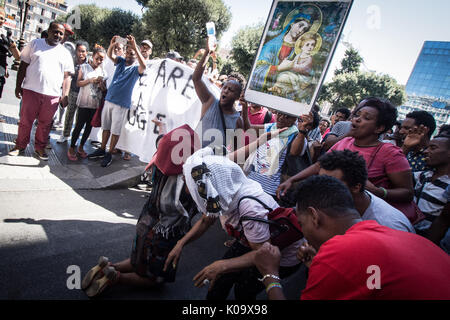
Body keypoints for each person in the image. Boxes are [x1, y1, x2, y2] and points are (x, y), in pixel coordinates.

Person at [254, 175, 450, 300]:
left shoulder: (340, 252)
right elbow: (374, 283)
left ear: (314, 216)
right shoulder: (394, 234)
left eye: (302, 223)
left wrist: (270, 273)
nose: (303, 231)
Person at [164, 148, 302, 300]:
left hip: (280, 256)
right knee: (220, 281)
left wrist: (222, 265)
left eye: (189, 183)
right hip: (253, 241)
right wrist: (181, 243)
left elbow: (265, 253)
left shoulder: (250, 208)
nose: (187, 189)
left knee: (243, 290)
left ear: (209, 185)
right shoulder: (222, 191)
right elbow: (206, 220)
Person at [81, 125, 199, 298]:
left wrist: (161, 128)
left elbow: (163, 141)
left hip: (145, 220)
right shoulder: (188, 181)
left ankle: (108, 267)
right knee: (155, 278)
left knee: (139, 260)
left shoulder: (161, 159)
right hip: (164, 234)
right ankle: (116, 278)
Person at [278, 97, 419, 224]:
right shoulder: (345, 141)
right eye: (357, 115)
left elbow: (407, 193)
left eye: (366, 118)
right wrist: (292, 180)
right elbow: (319, 165)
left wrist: (379, 192)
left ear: (380, 128)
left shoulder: (390, 152)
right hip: (334, 214)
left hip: (366, 220)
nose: (356, 119)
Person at [9, 21, 74, 160]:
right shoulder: (35, 44)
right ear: (49, 30)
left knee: (45, 124)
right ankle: (20, 146)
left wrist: (65, 95)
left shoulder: (65, 53)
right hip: (31, 91)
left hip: (52, 95)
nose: (58, 35)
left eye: (61, 33)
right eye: (55, 31)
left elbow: (67, 77)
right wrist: (17, 85)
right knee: (25, 121)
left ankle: (40, 148)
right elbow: (23, 65)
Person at [318, 150, 415, 232]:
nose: (321, 190)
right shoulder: (332, 204)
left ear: (356, 187)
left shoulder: (388, 226)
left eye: (330, 184)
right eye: (320, 182)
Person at [87, 35, 146, 167]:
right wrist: (112, 44)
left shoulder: (136, 69)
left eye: (133, 54)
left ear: (136, 56)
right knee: (106, 127)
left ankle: (109, 153)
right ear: (125, 53)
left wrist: (135, 47)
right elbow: (109, 55)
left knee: (115, 131)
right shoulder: (120, 61)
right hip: (109, 100)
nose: (130, 56)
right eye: (128, 53)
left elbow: (144, 65)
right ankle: (102, 149)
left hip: (121, 104)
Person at [193, 41, 244, 150]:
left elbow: (236, 150)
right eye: (224, 87)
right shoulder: (210, 101)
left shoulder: (238, 121)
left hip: (215, 163)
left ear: (237, 97)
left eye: (230, 90)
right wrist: (207, 52)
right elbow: (196, 79)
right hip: (194, 158)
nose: (225, 91)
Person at [249, 12, 313, 92]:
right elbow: (257, 71)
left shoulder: (299, 52)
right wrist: (278, 68)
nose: (300, 31)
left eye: (304, 30)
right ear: (292, 24)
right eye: (300, 26)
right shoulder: (272, 45)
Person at [67, 45, 106, 161]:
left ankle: (81, 146)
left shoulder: (101, 70)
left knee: (89, 127)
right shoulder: (84, 67)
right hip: (83, 102)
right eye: (97, 58)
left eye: (101, 59)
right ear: (92, 56)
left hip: (95, 103)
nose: (99, 61)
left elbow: (102, 89)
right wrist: (90, 80)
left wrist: (101, 85)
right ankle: (72, 147)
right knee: (79, 125)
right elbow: (78, 83)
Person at [412, 131, 450, 233]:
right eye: (427, 147)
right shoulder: (423, 176)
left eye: (433, 148)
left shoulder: (448, 185)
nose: (425, 151)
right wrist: (406, 148)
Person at [268, 32, 320, 102]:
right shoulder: (298, 55)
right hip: (296, 75)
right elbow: (293, 63)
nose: (310, 47)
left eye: (312, 45)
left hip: (304, 78)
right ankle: (278, 88)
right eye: (307, 45)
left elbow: (303, 68)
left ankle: (280, 89)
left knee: (287, 77)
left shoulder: (309, 58)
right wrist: (287, 62)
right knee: (282, 75)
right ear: (302, 46)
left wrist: (290, 65)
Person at [57, 41, 89, 144]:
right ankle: (65, 134)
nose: (81, 54)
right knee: (69, 114)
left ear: (87, 52)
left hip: (84, 94)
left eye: (83, 51)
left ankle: (74, 139)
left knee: (80, 118)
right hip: (72, 92)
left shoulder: (90, 64)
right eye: (79, 51)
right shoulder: (71, 62)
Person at [0, 7, 20, 122]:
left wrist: (11, 45)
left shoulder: (5, 35)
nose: (0, 20)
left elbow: (18, 56)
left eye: (2, 18)